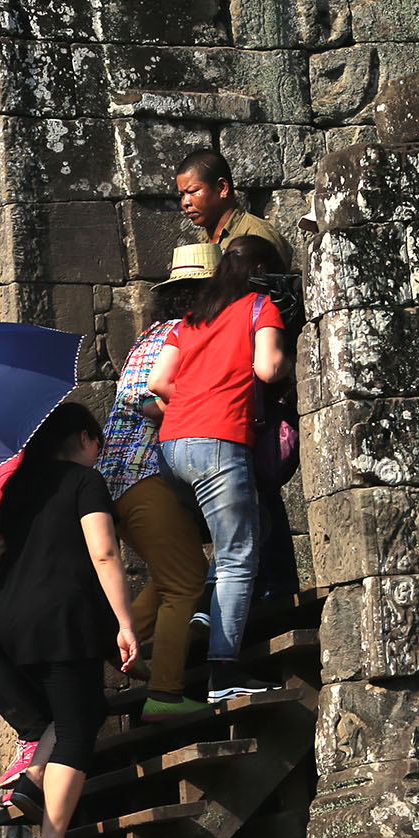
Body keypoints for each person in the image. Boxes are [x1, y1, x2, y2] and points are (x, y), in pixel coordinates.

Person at [0, 403, 140, 838]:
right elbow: (104, 551)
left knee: (78, 708)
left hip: (11, 624)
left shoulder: (17, 489)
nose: (99, 451)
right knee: (77, 730)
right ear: (82, 438)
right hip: (61, 620)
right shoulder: (83, 482)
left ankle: (34, 779)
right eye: (97, 440)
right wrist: (125, 621)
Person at [148, 234, 288, 702]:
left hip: (172, 448)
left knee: (254, 523)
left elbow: (159, 381)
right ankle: (224, 669)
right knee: (237, 556)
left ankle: (208, 605)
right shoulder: (258, 306)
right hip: (220, 440)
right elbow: (267, 369)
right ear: (263, 271)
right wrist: (290, 355)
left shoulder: (190, 319)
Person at [98, 245, 216, 721]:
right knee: (188, 580)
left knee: (174, 574)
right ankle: (165, 693)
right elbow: (142, 397)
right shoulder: (175, 333)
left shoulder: (154, 332)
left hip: (126, 481)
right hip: (141, 475)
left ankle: (114, 641)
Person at [174, 148, 288, 262]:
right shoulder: (205, 242)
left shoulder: (257, 235)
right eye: (182, 195)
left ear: (222, 188)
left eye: (193, 191)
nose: (185, 202)